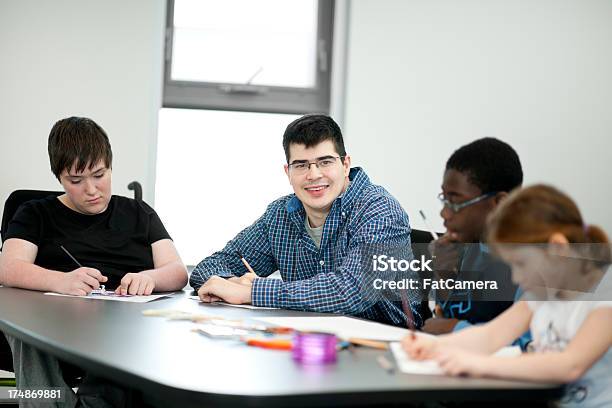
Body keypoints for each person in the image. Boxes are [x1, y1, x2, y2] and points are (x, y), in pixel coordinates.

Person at [0, 116, 188, 407]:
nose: (91, 190)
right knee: (25, 327)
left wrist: (150, 278)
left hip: (119, 322)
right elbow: (8, 268)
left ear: (110, 166)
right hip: (50, 320)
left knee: (133, 338)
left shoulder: (140, 213)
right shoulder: (34, 213)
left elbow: (176, 272)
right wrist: (61, 280)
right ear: (59, 178)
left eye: (99, 175)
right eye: (76, 180)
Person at [190, 114, 421, 327]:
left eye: (325, 162)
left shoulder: (380, 210)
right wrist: (232, 284)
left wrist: (251, 292)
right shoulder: (280, 214)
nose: (313, 175)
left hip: (388, 345)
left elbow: (352, 290)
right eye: (301, 165)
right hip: (309, 339)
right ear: (287, 172)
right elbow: (208, 269)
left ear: (345, 164)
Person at [402, 185, 612, 408]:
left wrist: (476, 364)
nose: (517, 277)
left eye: (521, 264)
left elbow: (570, 365)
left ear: (557, 249)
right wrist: (436, 347)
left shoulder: (605, 295)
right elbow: (491, 336)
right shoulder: (541, 293)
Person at [422, 137, 524, 336]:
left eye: (455, 202)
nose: (444, 213)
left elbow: (533, 342)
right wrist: (444, 275)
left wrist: (454, 329)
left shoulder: (535, 259)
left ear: (500, 203)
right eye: (445, 199)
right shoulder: (468, 247)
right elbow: (445, 316)